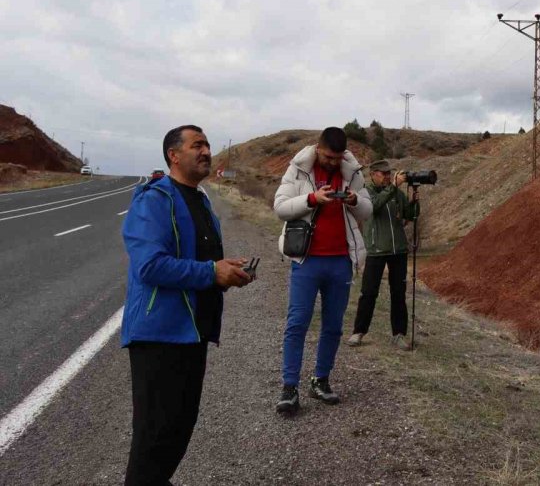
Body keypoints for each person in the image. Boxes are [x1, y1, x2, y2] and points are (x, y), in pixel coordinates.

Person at [121, 125, 253, 486]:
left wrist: (229, 272)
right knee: (153, 438)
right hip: (159, 335)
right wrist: (212, 272)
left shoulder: (202, 201)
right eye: (197, 145)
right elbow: (149, 265)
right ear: (173, 155)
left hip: (193, 331)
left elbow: (202, 262)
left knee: (178, 429)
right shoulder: (154, 199)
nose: (207, 151)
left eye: (208, 145)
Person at [273, 126, 372, 415]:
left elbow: (367, 210)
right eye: (329, 156)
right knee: (297, 323)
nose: (333, 162)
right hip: (306, 260)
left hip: (341, 260)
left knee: (333, 326)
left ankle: (321, 380)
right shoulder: (299, 169)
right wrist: (312, 199)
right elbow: (280, 207)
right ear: (318, 149)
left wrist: (354, 201)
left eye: (338, 157)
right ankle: (289, 387)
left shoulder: (351, 171)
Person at [347, 160, 419, 349]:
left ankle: (399, 334)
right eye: (383, 173)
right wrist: (394, 186)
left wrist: (414, 203)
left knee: (398, 294)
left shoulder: (396, 194)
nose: (387, 176)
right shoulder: (366, 193)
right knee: (369, 293)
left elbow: (409, 216)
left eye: (389, 173)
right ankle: (358, 332)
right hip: (376, 249)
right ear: (373, 174)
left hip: (398, 251)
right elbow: (375, 206)